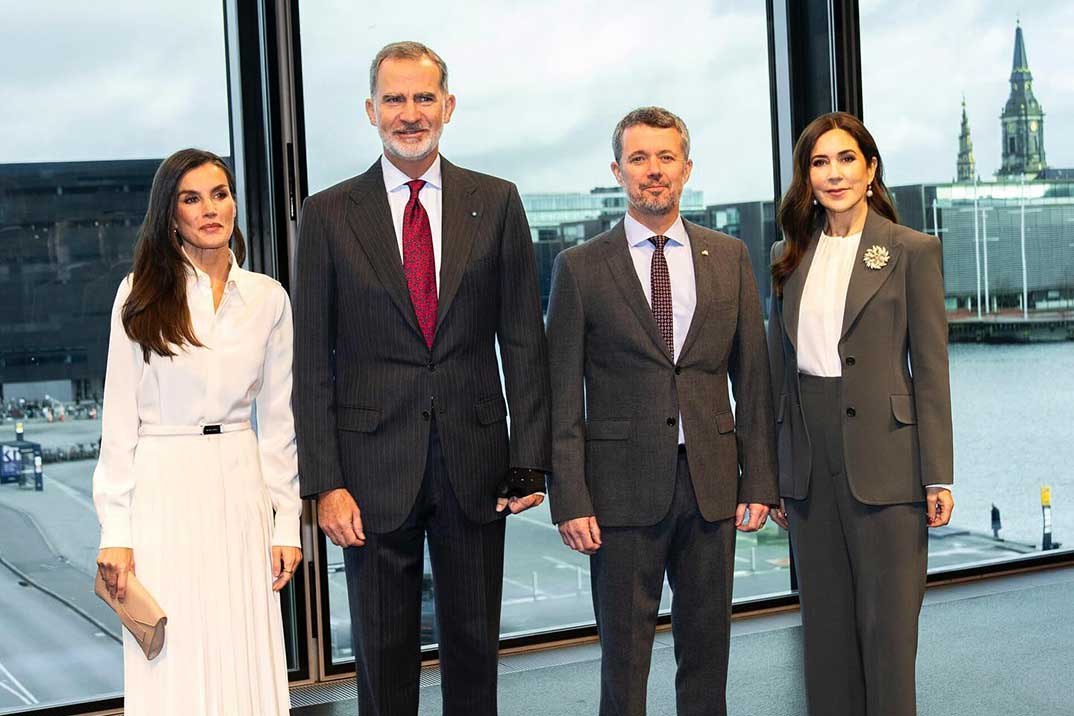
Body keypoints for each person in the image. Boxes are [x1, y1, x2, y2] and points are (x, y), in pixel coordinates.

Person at [293, 41, 551, 716]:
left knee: (473, 648)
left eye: (424, 97)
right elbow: (310, 362)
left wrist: (530, 460)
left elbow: (524, 338)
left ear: (449, 106)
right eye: (395, 99)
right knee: (381, 656)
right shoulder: (327, 215)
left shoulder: (495, 202)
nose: (411, 114)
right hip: (370, 472)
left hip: (475, 462)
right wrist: (325, 483)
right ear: (371, 110)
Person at [545, 106, 778, 716]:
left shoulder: (728, 258)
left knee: (708, 657)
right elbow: (562, 396)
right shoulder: (580, 267)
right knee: (624, 666)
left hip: (711, 489)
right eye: (640, 158)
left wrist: (759, 480)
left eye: (666, 157)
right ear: (618, 170)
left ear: (687, 168)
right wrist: (569, 495)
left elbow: (752, 380)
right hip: (618, 496)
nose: (654, 171)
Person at [92, 148, 302, 715]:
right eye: (191, 198)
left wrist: (287, 522)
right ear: (171, 214)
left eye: (220, 194)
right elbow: (118, 421)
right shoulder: (138, 294)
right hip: (163, 489)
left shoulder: (268, 298)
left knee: (243, 645)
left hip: (240, 483)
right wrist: (116, 527)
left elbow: (279, 422)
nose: (210, 209)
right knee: (175, 654)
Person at [766, 111, 954, 716]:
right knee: (824, 637)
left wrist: (938, 474)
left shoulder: (911, 251)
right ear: (806, 178)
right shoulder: (787, 255)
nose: (834, 173)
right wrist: (771, 475)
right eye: (819, 162)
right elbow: (777, 376)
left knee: (889, 637)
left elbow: (930, 368)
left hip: (889, 463)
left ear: (870, 169)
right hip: (811, 470)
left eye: (846, 158)